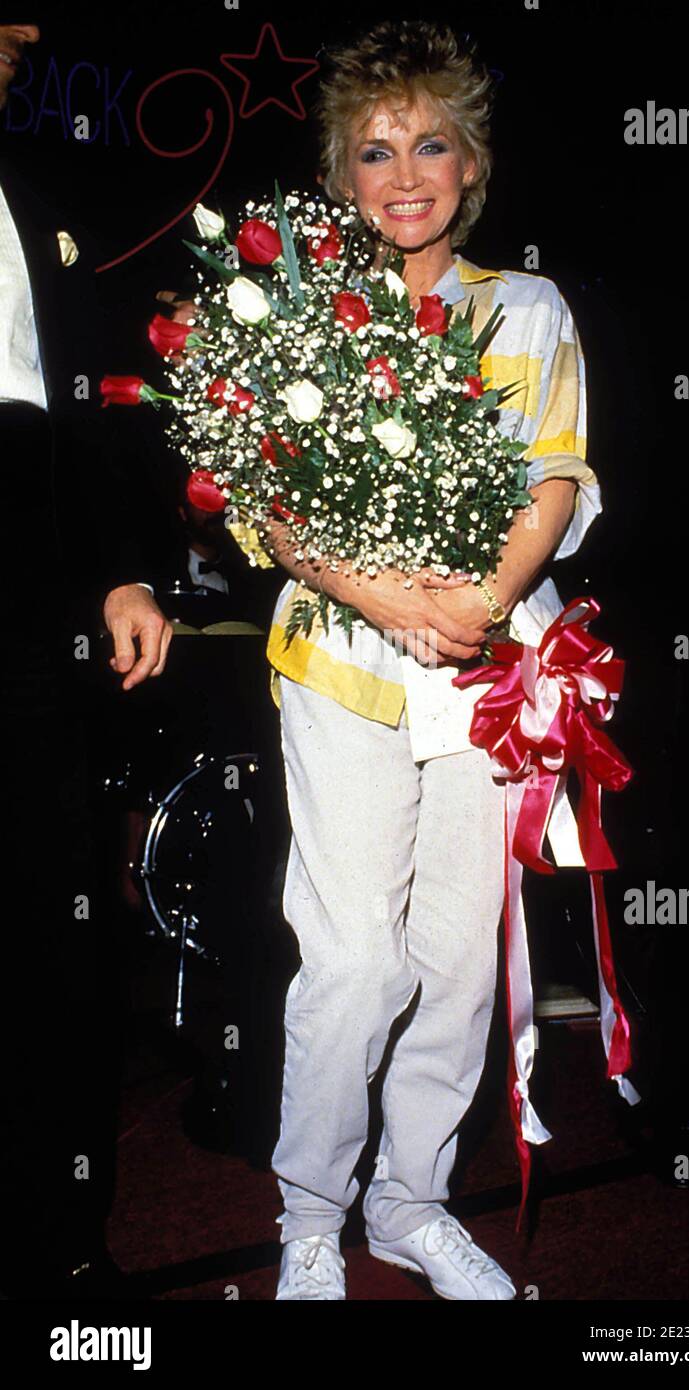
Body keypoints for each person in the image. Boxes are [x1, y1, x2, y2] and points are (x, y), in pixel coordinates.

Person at [255, 21, 601, 1300]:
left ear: (471, 164)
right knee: (357, 961)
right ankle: (308, 1215)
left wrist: (484, 602)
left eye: (431, 144)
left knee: (458, 960)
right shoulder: (297, 320)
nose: (405, 173)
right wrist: (394, 602)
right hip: (344, 658)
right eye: (374, 150)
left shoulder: (525, 307)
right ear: (342, 177)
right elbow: (270, 512)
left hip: (486, 672)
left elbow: (554, 476)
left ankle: (408, 1205)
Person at [0, 18, 173, 1296]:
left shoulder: (41, 203)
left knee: (56, 925)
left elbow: (91, 416)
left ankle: (63, 1250)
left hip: (34, 592)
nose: (23, 34)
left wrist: (119, 567)